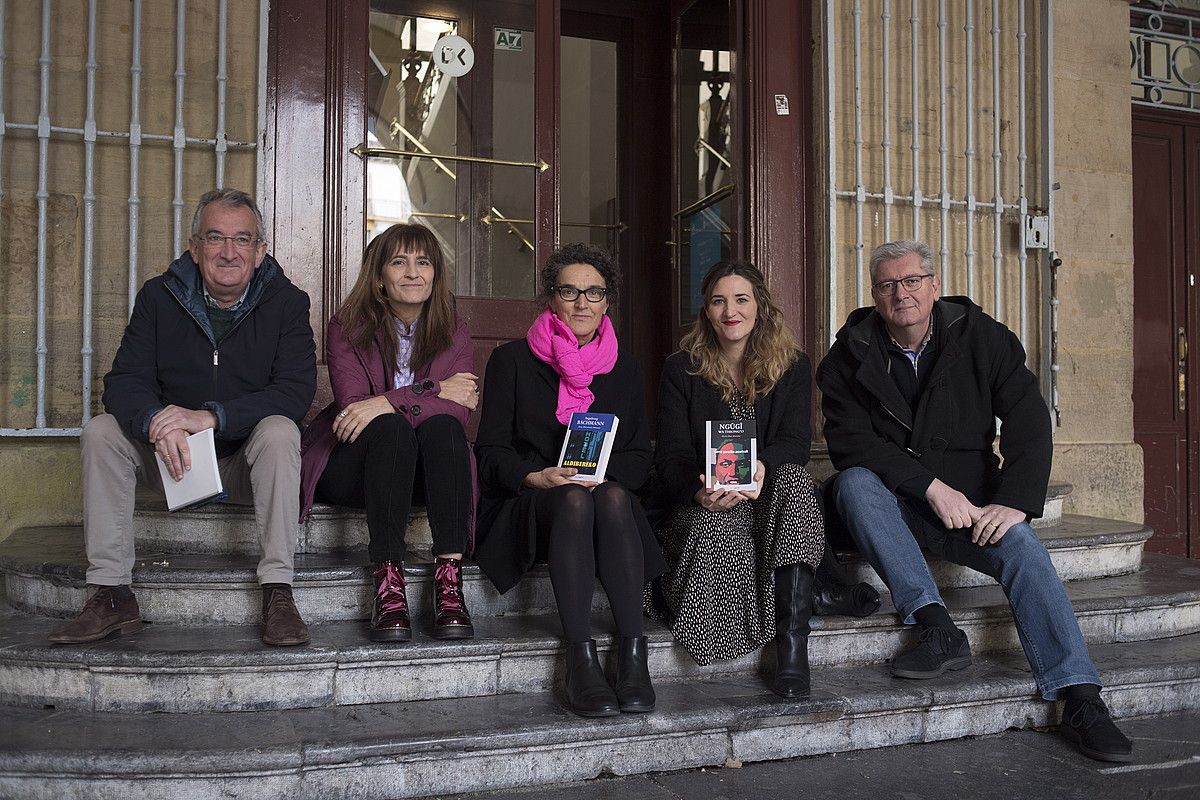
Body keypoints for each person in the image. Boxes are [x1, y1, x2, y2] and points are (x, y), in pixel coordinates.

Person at [818, 239, 1133, 762]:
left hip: (975, 505)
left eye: (912, 280)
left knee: (1025, 549)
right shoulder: (848, 356)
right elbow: (852, 443)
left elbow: (1029, 418)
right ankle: (937, 627)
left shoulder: (983, 338)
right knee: (852, 482)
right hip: (893, 505)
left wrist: (1014, 501)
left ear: (935, 286)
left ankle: (1080, 698)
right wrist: (930, 489)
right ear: (874, 295)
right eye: (887, 284)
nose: (901, 293)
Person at [48, 189, 316, 647]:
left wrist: (212, 417)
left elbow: (294, 392)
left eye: (242, 240)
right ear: (194, 247)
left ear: (260, 251)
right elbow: (125, 380)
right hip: (173, 460)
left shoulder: (287, 303)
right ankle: (111, 594)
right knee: (101, 430)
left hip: (242, 465)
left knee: (280, 430)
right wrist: (157, 421)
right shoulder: (159, 296)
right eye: (215, 238)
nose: (229, 252)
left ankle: (278, 592)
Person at [649, 261, 875, 699]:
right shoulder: (682, 368)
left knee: (793, 479)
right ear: (706, 311)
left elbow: (794, 441)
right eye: (718, 301)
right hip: (704, 500)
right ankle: (800, 600)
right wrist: (698, 492)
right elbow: (671, 454)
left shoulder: (792, 365)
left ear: (760, 308)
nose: (730, 311)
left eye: (741, 299)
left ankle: (793, 645)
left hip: (768, 492)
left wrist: (761, 471)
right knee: (716, 528)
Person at [473, 243, 666, 718]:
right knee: (573, 500)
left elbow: (641, 456)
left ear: (607, 302)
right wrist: (536, 476)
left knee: (614, 495)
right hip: (532, 502)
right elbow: (491, 453)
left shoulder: (626, 367)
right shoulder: (512, 361)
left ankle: (632, 653)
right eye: (569, 291)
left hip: (605, 501)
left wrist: (601, 478)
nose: (582, 303)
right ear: (551, 298)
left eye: (594, 293)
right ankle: (581, 658)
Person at [300, 223, 478, 642]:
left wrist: (385, 400)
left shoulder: (455, 330)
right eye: (399, 262)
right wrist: (429, 390)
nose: (413, 272)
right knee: (393, 430)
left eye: (423, 262)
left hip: (426, 474)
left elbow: (459, 407)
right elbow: (353, 405)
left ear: (435, 275)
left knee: (444, 429)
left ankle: (449, 581)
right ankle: (388, 582)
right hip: (357, 468)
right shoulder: (347, 327)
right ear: (379, 276)